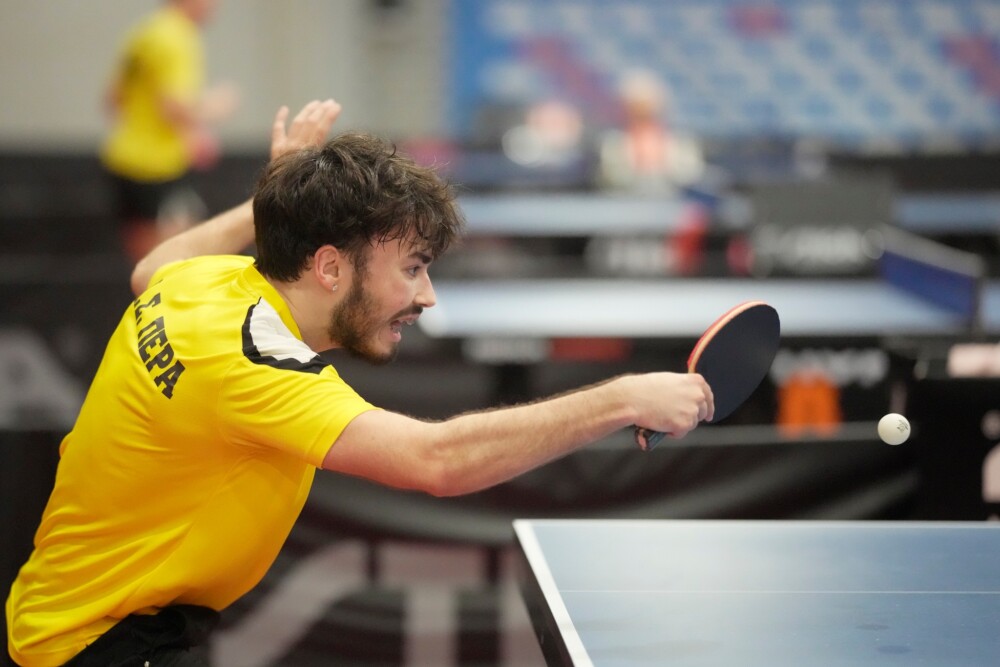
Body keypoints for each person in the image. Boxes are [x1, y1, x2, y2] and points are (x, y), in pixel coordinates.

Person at [6, 99, 714, 666]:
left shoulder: (206, 283)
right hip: (101, 646)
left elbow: (149, 267)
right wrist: (621, 397)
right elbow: (436, 460)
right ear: (329, 268)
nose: (427, 296)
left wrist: (277, 197)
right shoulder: (252, 366)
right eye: (412, 268)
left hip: (64, 616)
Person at [100, 0, 239, 263]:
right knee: (184, 259)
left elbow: (113, 99)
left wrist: (191, 134)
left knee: (145, 264)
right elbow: (174, 108)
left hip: (123, 161)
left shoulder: (144, 32)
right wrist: (218, 105)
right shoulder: (179, 37)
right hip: (160, 168)